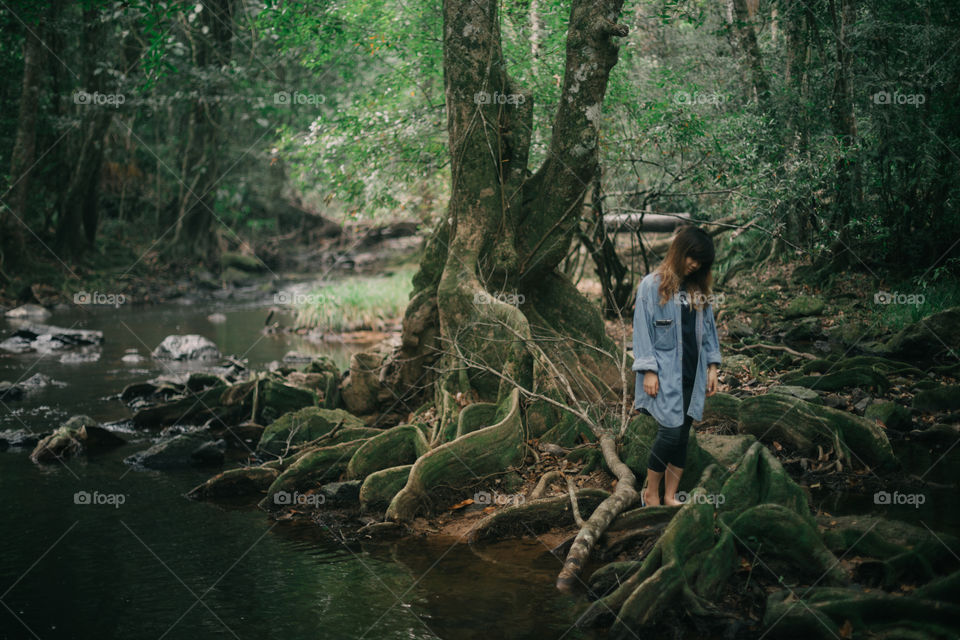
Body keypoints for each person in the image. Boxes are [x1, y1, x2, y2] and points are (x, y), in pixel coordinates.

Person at [631, 225, 722, 506]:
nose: (695, 264)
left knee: (682, 435)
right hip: (664, 374)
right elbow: (642, 331)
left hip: (691, 374)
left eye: (701, 261)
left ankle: (671, 496)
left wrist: (712, 368)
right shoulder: (651, 286)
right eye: (692, 256)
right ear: (679, 251)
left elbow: (709, 332)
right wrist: (648, 370)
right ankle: (651, 494)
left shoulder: (698, 290)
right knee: (669, 432)